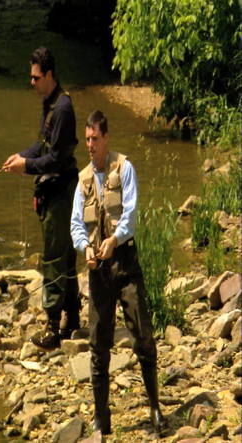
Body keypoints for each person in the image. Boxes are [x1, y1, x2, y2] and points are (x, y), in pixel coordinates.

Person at [70, 110, 165, 435]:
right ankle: (101, 417)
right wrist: (85, 248)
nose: (91, 145)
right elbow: (75, 225)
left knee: (142, 334)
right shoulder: (82, 180)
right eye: (87, 140)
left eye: (95, 139)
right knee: (98, 344)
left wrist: (113, 241)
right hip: (98, 272)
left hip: (125, 264)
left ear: (106, 138)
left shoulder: (125, 169)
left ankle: (154, 407)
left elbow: (132, 214)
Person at [3, 47, 80, 348]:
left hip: (61, 192)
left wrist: (27, 168)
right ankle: (72, 319)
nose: (31, 82)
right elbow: (41, 146)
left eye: (36, 77)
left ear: (49, 75)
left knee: (54, 258)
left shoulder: (62, 109)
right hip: (54, 189)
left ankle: (52, 327)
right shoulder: (49, 103)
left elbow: (58, 160)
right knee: (65, 256)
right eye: (30, 77)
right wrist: (20, 157)